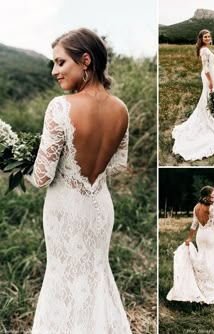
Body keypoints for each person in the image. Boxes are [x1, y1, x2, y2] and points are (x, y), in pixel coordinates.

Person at [26, 28, 132, 334]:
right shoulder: (121, 109)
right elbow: (117, 166)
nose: (54, 71)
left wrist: (21, 161)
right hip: (100, 208)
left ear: (85, 60)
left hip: (66, 211)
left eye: (60, 62)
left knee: (62, 277)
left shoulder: (60, 107)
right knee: (96, 274)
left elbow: (43, 177)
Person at [172, 29, 214, 161]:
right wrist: (210, 81)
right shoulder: (204, 50)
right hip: (208, 77)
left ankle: (213, 117)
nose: (208, 38)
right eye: (205, 36)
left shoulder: (205, 49)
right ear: (201, 38)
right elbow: (205, 68)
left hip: (211, 76)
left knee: (212, 99)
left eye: (209, 36)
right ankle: (208, 119)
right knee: (209, 99)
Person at [167, 186, 214, 304]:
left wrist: (190, 238)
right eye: (213, 195)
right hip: (210, 236)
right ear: (206, 196)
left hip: (200, 236)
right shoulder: (211, 207)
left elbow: (194, 224)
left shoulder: (196, 207)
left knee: (202, 259)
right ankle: (210, 290)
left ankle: (201, 286)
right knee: (210, 260)